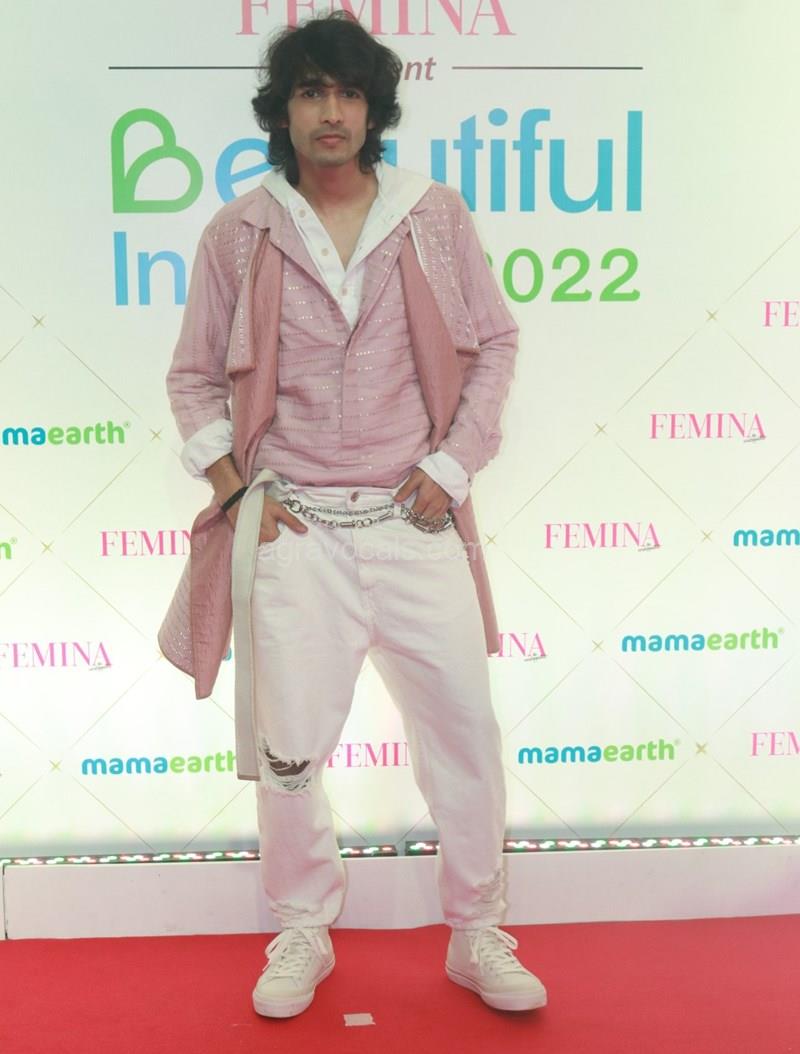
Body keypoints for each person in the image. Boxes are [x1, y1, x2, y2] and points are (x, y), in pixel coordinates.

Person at [161, 10, 546, 1020]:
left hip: (413, 522)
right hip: (294, 529)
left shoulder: (431, 215)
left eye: (346, 93)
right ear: (282, 110)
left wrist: (453, 465)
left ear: (372, 110)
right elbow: (193, 377)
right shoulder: (239, 233)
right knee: (289, 749)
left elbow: (495, 343)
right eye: (309, 92)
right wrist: (236, 491)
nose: (329, 112)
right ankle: (301, 926)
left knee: (463, 733)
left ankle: (476, 930)